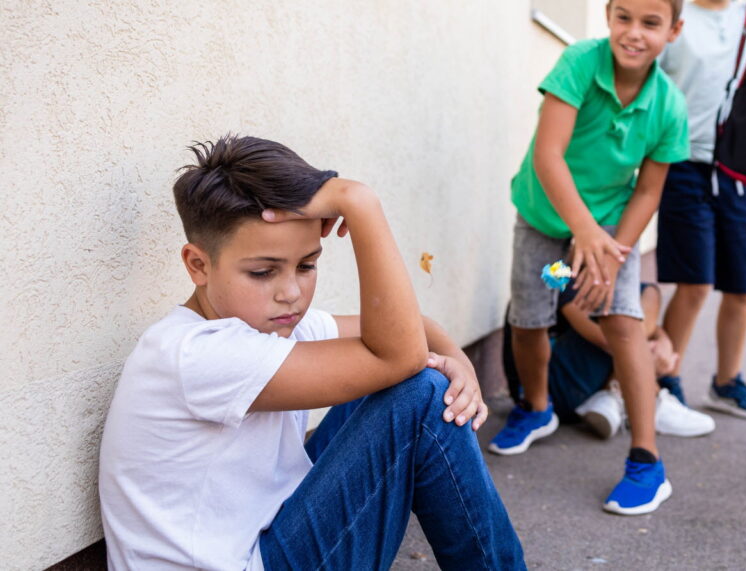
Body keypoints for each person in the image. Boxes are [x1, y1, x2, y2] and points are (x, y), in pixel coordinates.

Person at [98, 136, 525, 569]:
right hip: (245, 560)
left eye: (307, 265)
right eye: (263, 272)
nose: (291, 294)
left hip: (262, 537)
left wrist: (461, 360)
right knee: (422, 392)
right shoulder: (194, 353)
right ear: (198, 265)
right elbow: (400, 354)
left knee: (407, 379)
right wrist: (359, 202)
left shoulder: (273, 327)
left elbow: (413, 334)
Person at [492, 0, 689, 515]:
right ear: (607, 15)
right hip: (543, 216)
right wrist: (580, 233)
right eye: (623, 17)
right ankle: (536, 406)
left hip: (605, 228)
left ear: (673, 30)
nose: (634, 32)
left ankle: (647, 462)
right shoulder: (580, 62)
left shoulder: (669, 107)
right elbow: (549, 155)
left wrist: (613, 252)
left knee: (623, 321)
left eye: (650, 23)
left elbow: (648, 191)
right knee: (531, 317)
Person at [656, 0, 746, 425]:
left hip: (741, 168)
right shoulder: (680, 23)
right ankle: (664, 381)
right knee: (695, 282)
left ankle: (727, 383)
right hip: (685, 163)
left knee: (741, 286)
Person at [502, 282, 715, 440]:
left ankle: (613, 394)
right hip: (551, 393)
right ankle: (646, 395)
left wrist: (662, 339)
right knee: (643, 296)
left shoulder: (573, 266)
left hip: (557, 388)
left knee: (637, 299)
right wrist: (649, 360)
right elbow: (613, 341)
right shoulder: (558, 270)